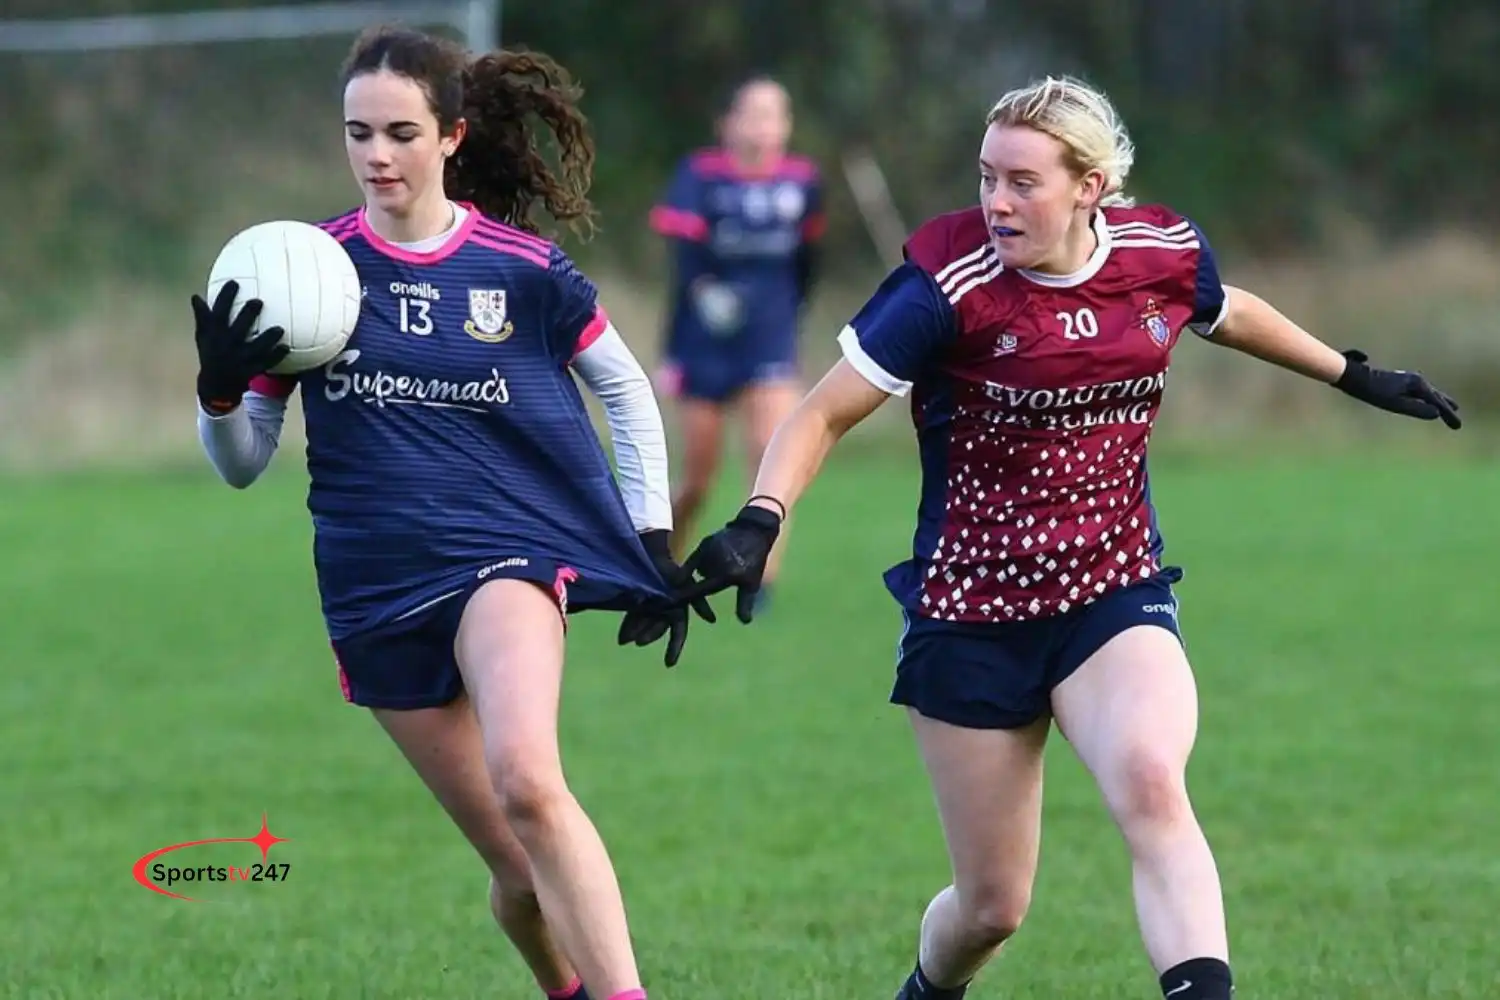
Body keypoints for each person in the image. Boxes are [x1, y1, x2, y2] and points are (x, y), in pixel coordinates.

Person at [674, 76, 1461, 1000]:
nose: (996, 202)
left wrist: (1352, 375)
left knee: (1152, 785)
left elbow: (1228, 308)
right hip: (971, 611)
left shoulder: (1159, 253)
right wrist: (761, 519)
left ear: (1090, 186)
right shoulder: (948, 285)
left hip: (1111, 589)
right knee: (992, 909)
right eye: (985, 177)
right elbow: (818, 415)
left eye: (1023, 181)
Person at [192, 25, 710, 1000]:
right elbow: (240, 465)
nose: (376, 155)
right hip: (375, 589)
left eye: (400, 132)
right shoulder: (305, 276)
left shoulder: (520, 270)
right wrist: (220, 394)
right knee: (518, 876)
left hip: (506, 560)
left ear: (453, 137)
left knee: (529, 783)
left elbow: (628, 391)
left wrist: (647, 540)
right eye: (358, 133)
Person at [648, 75, 826, 610]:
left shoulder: (803, 181)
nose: (763, 126)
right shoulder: (700, 175)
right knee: (696, 476)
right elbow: (683, 260)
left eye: (775, 114)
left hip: (768, 339)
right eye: (752, 113)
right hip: (703, 343)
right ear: (727, 123)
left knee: (770, 457)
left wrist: (788, 315)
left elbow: (809, 262)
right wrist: (705, 293)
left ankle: (760, 581)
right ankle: (663, 566)